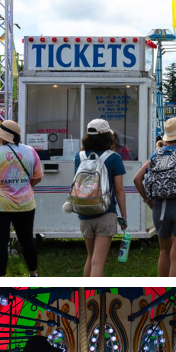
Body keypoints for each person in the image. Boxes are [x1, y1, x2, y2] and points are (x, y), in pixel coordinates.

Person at [0, 120, 44, 277]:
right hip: (25, 204)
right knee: (27, 240)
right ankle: (33, 274)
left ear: (4, 136)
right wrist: (25, 186)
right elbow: (38, 176)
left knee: (0, 242)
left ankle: (1, 279)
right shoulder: (30, 151)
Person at [134, 117, 176, 277]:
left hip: (159, 207)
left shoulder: (155, 154)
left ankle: (162, 288)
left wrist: (148, 200)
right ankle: (173, 290)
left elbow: (137, 179)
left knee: (164, 251)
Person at [73, 119, 128, 277]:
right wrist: (123, 216)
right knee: (98, 262)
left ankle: (86, 291)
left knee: (90, 258)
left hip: (84, 212)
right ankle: (95, 293)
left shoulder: (80, 156)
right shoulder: (114, 158)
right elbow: (119, 190)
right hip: (106, 212)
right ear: (108, 137)